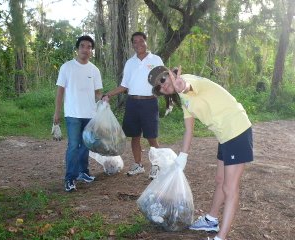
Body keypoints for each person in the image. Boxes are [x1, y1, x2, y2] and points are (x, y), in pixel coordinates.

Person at [147, 65, 253, 240]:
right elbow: (189, 130)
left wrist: (183, 85)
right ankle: (211, 219)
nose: (163, 86)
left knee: (230, 187)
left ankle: (221, 237)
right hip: (224, 135)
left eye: (163, 80)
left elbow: (187, 85)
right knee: (220, 180)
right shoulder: (183, 100)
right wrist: (183, 156)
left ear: (170, 74)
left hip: (236, 130)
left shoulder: (189, 82)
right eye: (158, 87)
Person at [102, 32, 164, 179]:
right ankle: (138, 165)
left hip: (149, 102)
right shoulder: (130, 62)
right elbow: (124, 85)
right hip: (133, 102)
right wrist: (108, 94)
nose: (138, 44)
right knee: (134, 136)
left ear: (146, 42)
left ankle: (156, 166)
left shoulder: (155, 59)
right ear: (132, 45)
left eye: (141, 41)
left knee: (151, 136)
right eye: (135, 42)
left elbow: (163, 80)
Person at [53, 35, 103, 192]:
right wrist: (57, 113)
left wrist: (104, 100)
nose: (86, 49)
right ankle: (70, 178)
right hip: (73, 114)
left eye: (89, 47)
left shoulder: (94, 70)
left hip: (90, 114)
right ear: (77, 48)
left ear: (91, 51)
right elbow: (60, 92)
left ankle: (83, 172)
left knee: (85, 145)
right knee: (73, 146)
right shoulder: (67, 67)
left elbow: (98, 93)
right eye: (83, 46)